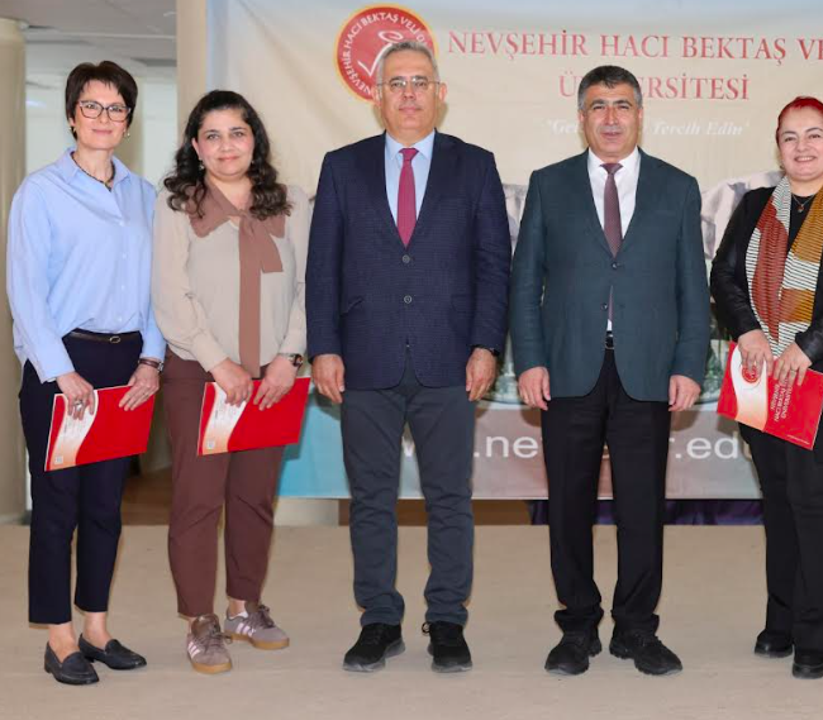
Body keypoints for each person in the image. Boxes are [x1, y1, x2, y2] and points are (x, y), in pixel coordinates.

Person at [306, 40, 509, 674]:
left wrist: (486, 345)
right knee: (371, 499)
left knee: (450, 497)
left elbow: (493, 266)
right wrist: (323, 347)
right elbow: (322, 268)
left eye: (421, 82)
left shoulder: (475, 166)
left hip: (450, 359)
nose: (409, 94)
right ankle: (379, 619)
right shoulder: (342, 167)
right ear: (377, 97)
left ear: (440, 94)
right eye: (396, 83)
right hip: (363, 358)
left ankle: (447, 619)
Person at [510, 65, 709, 677]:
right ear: (582, 118)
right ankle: (577, 627)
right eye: (598, 106)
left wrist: (689, 363)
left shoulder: (678, 187)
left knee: (642, 506)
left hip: (647, 370)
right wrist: (530, 359)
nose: (611, 117)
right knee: (568, 506)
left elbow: (692, 288)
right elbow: (525, 283)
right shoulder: (549, 185)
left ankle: (636, 627)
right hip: (568, 368)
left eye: (622, 105)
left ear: (640, 115)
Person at [710, 97, 823, 680]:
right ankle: (781, 620)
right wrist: (747, 331)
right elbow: (724, 276)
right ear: (778, 147)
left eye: (814, 136)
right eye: (790, 137)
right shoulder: (755, 206)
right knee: (780, 500)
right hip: (764, 376)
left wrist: (806, 346)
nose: (802, 146)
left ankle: (817, 632)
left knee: (815, 503)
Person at [6, 61, 162, 685]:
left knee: (105, 506)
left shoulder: (144, 196)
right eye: (92, 106)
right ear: (72, 115)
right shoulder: (41, 192)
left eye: (115, 108)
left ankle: (95, 627)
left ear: (128, 121)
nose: (103, 117)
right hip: (63, 365)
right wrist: (59, 371)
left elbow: (158, 289)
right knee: (57, 507)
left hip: (127, 366)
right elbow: (25, 289)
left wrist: (152, 359)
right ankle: (58, 637)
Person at [152, 90, 310, 674]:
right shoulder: (177, 205)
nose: (226, 146)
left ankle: (244, 606)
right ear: (196, 147)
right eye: (212, 136)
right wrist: (218, 362)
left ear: (254, 140)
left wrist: (288, 357)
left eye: (236, 133)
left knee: (254, 497)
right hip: (200, 375)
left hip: (272, 378)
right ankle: (200, 619)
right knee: (198, 500)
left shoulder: (290, 202)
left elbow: (308, 286)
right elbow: (171, 295)